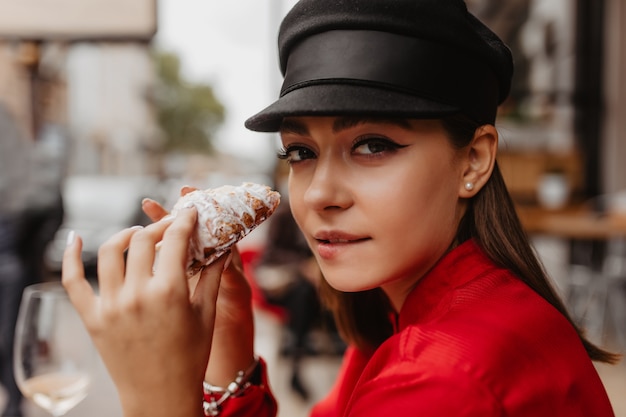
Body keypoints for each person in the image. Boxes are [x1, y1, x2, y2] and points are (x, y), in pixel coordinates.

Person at [61, 0, 619, 416]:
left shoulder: (443, 377)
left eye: (373, 145)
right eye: (300, 152)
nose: (320, 192)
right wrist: (230, 347)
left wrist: (157, 400)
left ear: (473, 160)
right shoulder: (402, 313)